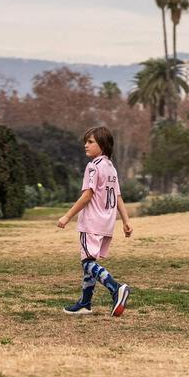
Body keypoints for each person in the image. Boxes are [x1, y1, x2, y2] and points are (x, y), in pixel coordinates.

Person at [57, 127, 133, 317]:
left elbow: (87, 196)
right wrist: (125, 220)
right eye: (86, 141)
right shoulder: (111, 168)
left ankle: (116, 288)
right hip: (106, 223)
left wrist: (67, 216)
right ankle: (85, 303)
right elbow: (118, 196)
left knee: (87, 263)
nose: (86, 145)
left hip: (91, 222)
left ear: (103, 145)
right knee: (89, 260)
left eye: (91, 142)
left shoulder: (93, 166)